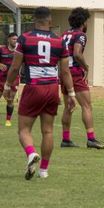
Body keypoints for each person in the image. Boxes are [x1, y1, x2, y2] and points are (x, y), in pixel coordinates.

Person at [2, 7, 76, 180]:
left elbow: (15, 66)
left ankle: (31, 153)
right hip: (52, 89)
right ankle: (44, 170)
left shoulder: (25, 38)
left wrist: (7, 87)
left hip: (34, 87)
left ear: (34, 20)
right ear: (50, 21)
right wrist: (71, 94)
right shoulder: (60, 41)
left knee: (24, 130)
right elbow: (65, 72)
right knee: (48, 131)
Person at [60, 7, 104, 149]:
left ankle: (66, 139)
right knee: (86, 106)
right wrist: (86, 67)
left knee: (69, 106)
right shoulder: (80, 35)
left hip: (64, 72)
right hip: (75, 73)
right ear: (84, 21)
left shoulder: (64, 34)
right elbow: (77, 53)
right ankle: (91, 139)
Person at [0, 32, 19, 126]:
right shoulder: (1, 49)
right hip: (1, 78)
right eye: (13, 39)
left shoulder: (19, 51)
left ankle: (8, 120)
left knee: (10, 99)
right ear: (9, 39)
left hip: (13, 79)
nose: (15, 41)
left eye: (16, 39)